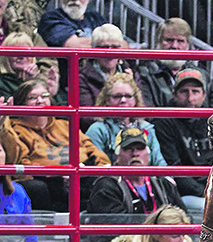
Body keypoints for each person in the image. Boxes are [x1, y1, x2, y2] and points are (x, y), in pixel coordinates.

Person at [0, 78, 109, 211]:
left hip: (81, 174)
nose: (40, 101)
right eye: (32, 98)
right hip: (48, 180)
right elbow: (19, 162)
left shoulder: (65, 124)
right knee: (38, 187)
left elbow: (92, 149)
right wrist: (56, 173)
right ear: (21, 103)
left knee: (105, 183)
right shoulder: (16, 130)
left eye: (44, 96)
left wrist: (99, 167)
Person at [154, 68, 213, 217]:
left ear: (204, 95)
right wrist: (206, 193)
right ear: (174, 94)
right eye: (184, 92)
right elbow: (174, 168)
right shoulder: (164, 121)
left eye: (195, 92)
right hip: (185, 194)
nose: (190, 98)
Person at [86, 127, 184, 216]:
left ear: (148, 155)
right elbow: (118, 226)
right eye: (128, 149)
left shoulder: (163, 183)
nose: (135, 154)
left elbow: (185, 218)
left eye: (140, 148)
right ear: (117, 156)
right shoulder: (106, 187)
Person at [85, 72, 168, 166]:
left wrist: (167, 180)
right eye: (117, 96)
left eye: (128, 96)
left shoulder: (147, 128)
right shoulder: (97, 130)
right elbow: (94, 167)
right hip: (112, 179)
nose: (123, 100)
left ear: (135, 100)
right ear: (107, 100)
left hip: (144, 179)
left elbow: (160, 164)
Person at [136, 18, 200, 108]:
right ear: (158, 42)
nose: (174, 46)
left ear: (187, 45)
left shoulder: (200, 74)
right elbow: (147, 112)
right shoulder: (144, 73)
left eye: (180, 41)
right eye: (169, 40)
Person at [37, 0, 106, 49]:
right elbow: (74, 47)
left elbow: (119, 42)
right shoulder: (50, 19)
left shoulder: (96, 18)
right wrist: (107, 43)